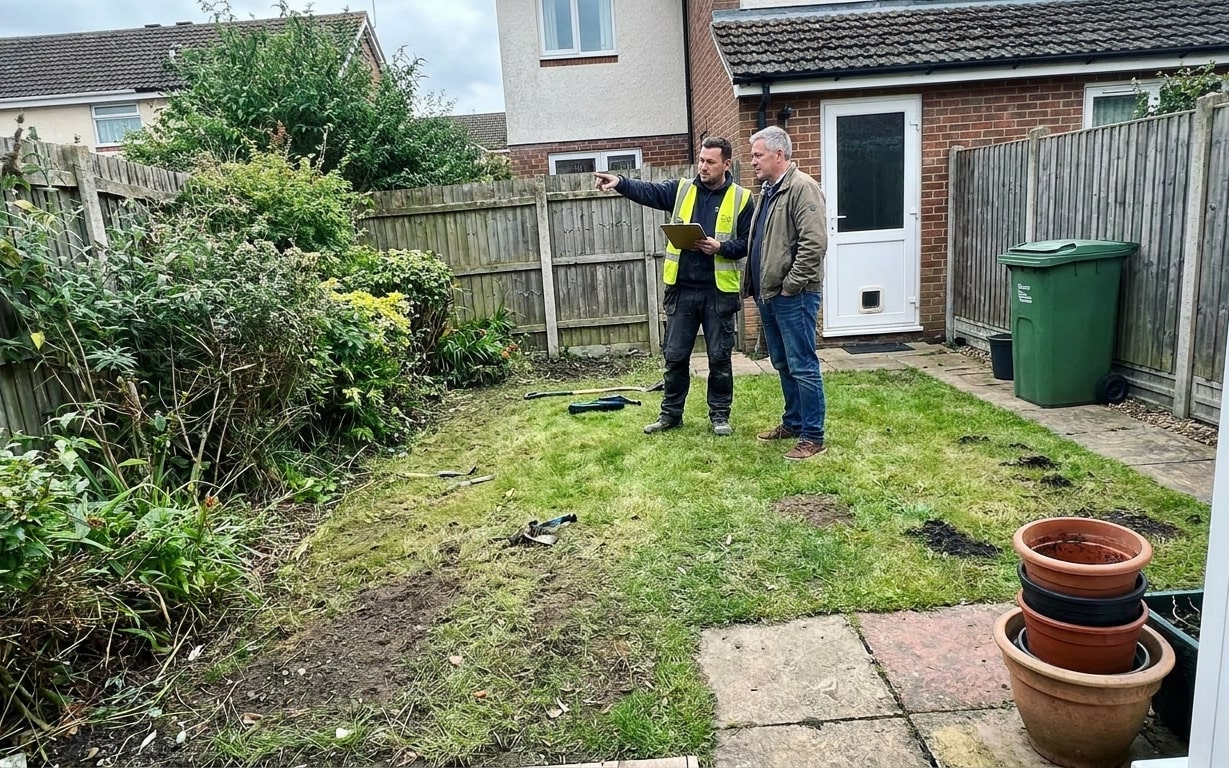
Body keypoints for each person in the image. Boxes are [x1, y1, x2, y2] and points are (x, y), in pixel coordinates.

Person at [594, 137, 753, 436]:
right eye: (701, 160)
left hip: (719, 292)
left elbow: (748, 243)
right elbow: (648, 192)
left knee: (719, 357)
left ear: (726, 164)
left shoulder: (743, 198)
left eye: (710, 162)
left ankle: (719, 415)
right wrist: (620, 181)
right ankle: (670, 415)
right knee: (675, 355)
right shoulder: (682, 190)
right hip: (682, 290)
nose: (703, 167)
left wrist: (720, 247)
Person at [745, 126, 829, 461]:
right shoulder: (768, 191)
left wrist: (791, 287)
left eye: (758, 155)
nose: (753, 161)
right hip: (770, 295)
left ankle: (813, 436)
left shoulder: (802, 188)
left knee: (803, 365)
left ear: (779, 155)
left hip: (794, 296)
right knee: (782, 362)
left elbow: (814, 244)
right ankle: (793, 422)